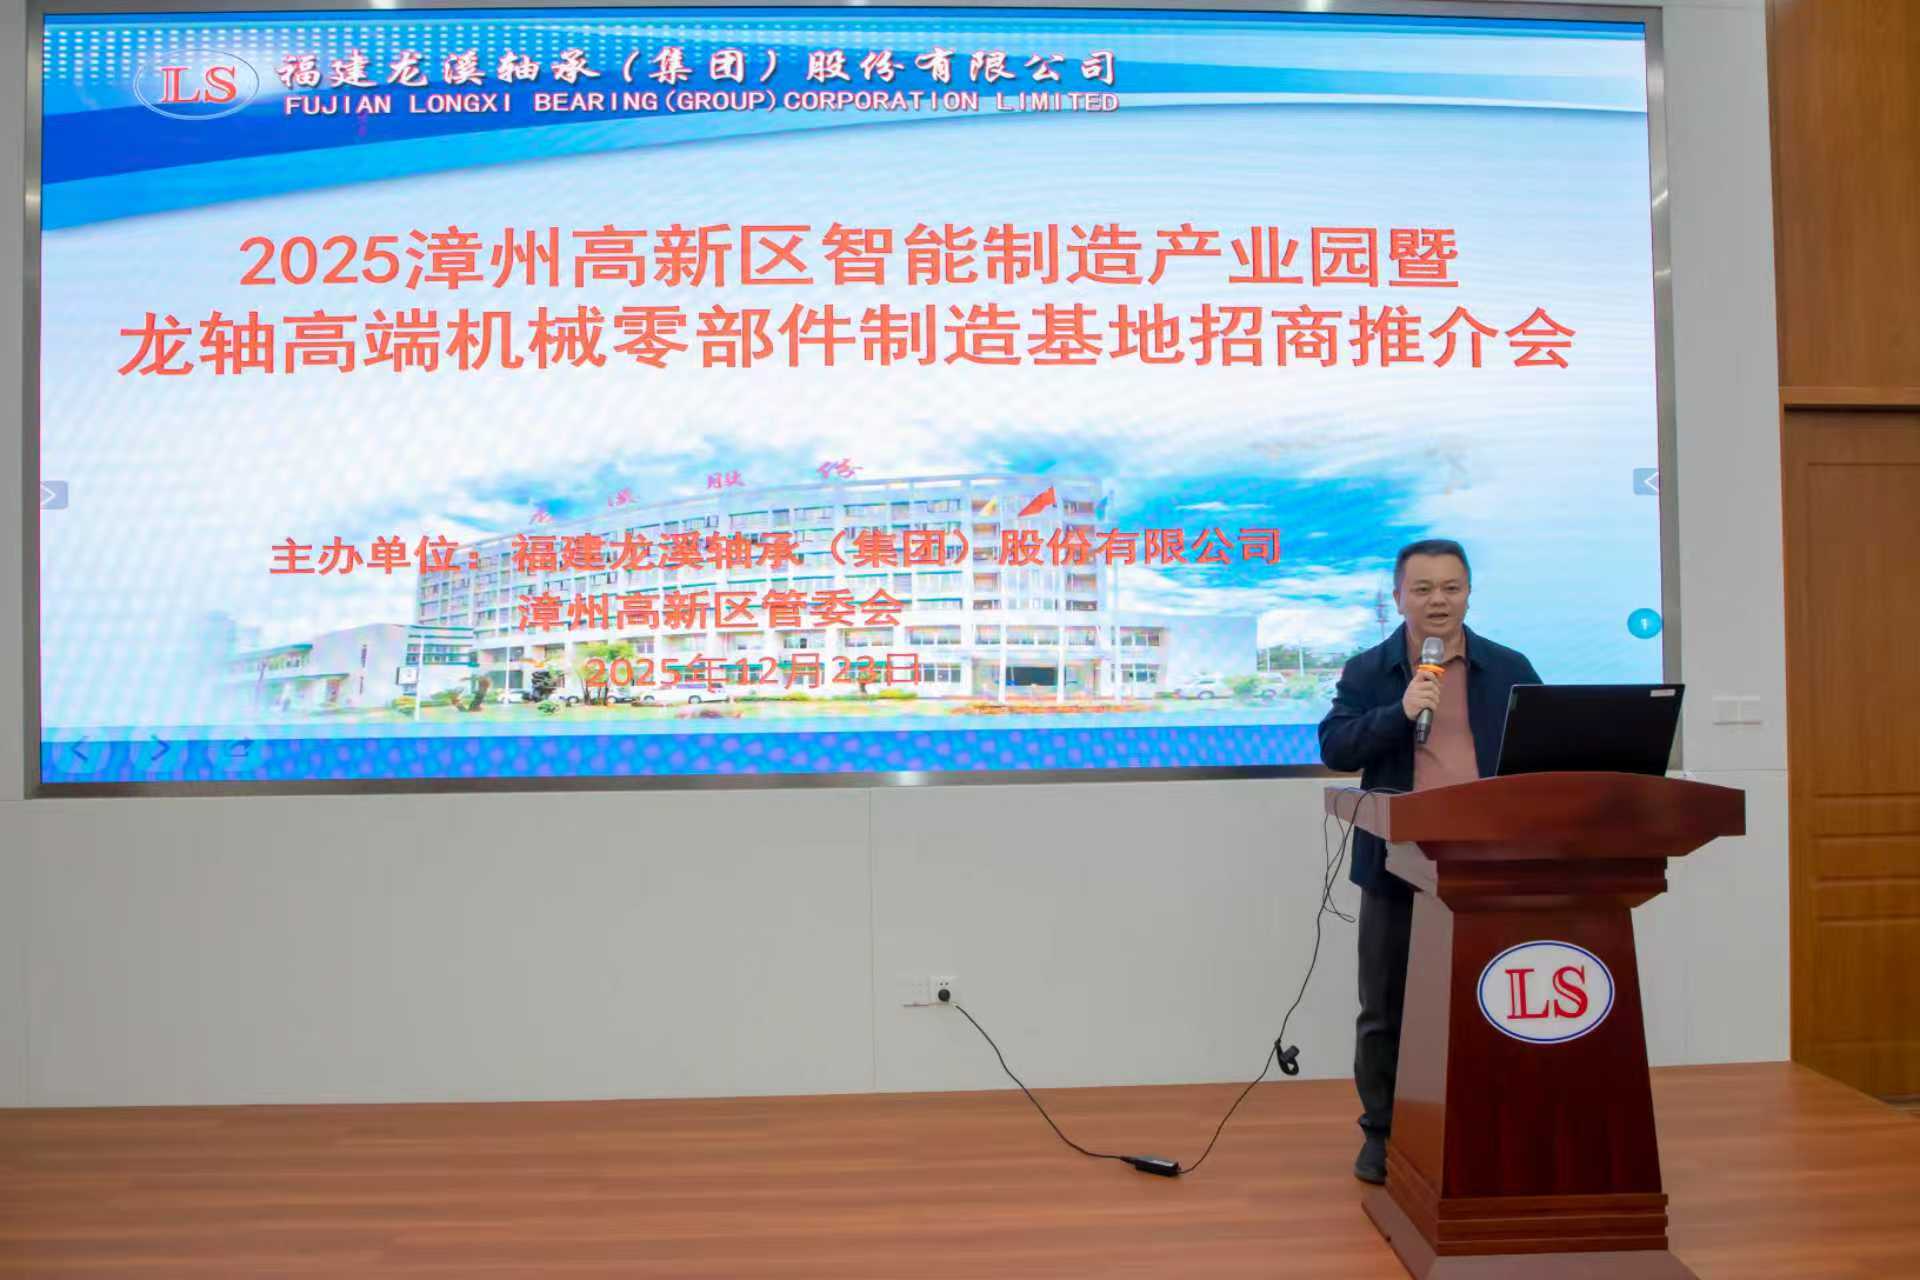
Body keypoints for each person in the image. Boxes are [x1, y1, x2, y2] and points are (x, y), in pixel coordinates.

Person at [1317, 539, 1541, 1185]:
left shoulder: (1510, 666)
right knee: (1385, 1007)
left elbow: (1545, 750)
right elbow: (1336, 747)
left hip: (1492, 862)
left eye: (1450, 587)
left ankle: (1492, 1127)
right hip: (1399, 862)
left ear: (1468, 594)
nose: (1437, 601)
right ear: (1398, 599)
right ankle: (1382, 1134)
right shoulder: (1369, 670)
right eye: (1422, 589)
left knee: (1494, 1001)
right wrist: (1401, 711)